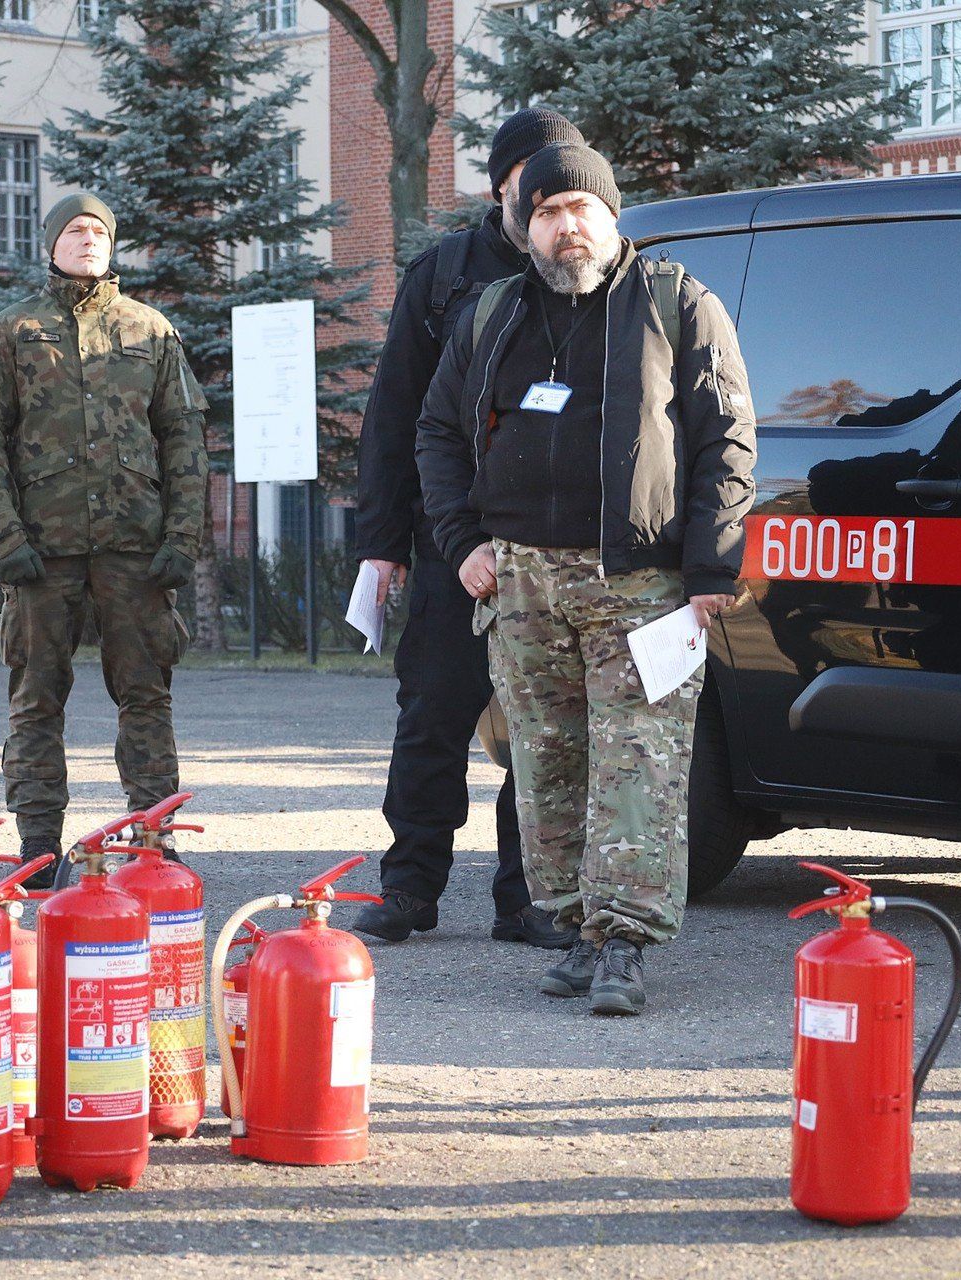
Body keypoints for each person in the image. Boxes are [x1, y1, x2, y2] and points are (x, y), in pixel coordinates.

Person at [415, 143, 757, 1015]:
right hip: (520, 581)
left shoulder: (678, 303)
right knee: (547, 762)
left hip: (642, 583)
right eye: (547, 212)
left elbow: (727, 439)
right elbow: (439, 434)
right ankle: (574, 929)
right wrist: (463, 545)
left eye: (582, 209)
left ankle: (626, 944)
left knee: (639, 764)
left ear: (613, 216)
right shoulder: (493, 313)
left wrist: (712, 564)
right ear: (523, 225)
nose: (568, 227)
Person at [350, 107, 586, 950]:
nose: (554, 201)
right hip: (451, 540)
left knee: (541, 720)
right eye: (536, 182)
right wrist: (380, 546)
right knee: (434, 714)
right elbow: (393, 418)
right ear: (503, 188)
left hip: (552, 545)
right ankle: (410, 884)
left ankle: (525, 898)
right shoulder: (444, 275)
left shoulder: (583, 272)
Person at [0, 193, 209, 888]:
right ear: (50, 243)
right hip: (42, 552)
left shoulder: (151, 331)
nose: (88, 238)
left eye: (99, 230)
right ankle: (39, 849)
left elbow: (185, 438)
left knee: (147, 696)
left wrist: (181, 538)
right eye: (75, 229)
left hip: (135, 551)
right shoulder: (14, 331)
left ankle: (154, 839)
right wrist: (6, 539)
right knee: (37, 699)